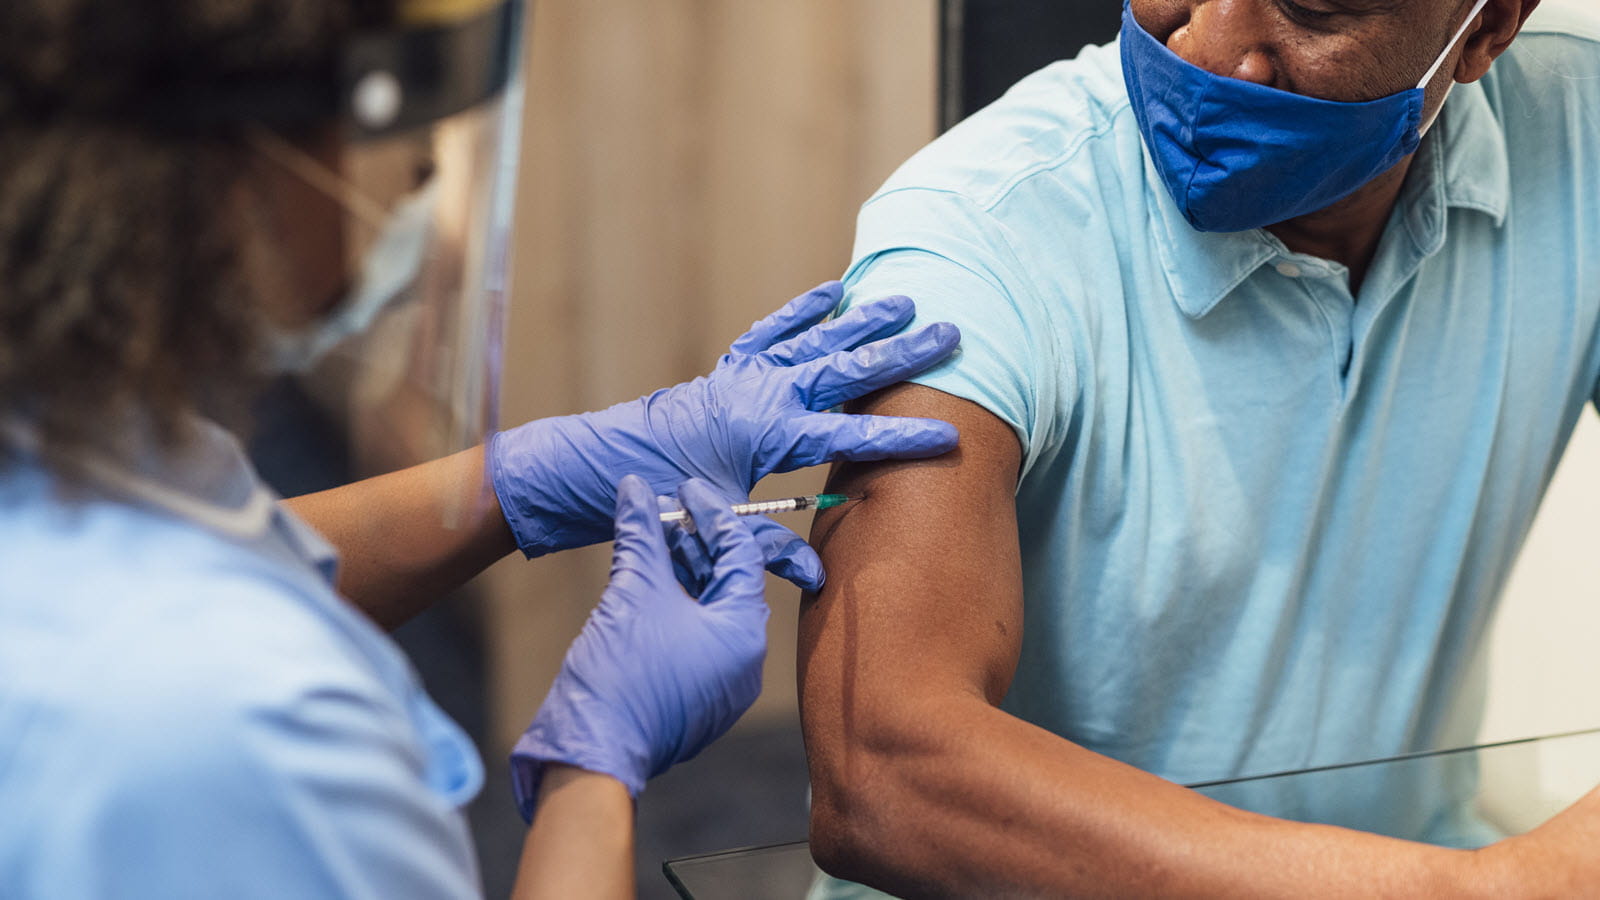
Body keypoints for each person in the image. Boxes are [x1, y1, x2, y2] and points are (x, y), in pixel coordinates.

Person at [0, 1, 961, 898]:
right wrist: (594, 763)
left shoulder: (62, 442)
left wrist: (522, 483)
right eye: (369, 128)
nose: (416, 176)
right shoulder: (251, 738)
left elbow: (201, 558)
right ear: (238, 171)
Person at [798, 0, 1600, 895]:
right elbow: (885, 768)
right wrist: (1485, 890)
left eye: (1310, 7)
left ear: (1486, 29)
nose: (1209, 45)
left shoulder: (1581, 127)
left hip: (1414, 851)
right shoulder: (980, 228)